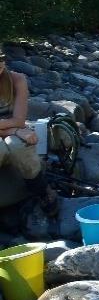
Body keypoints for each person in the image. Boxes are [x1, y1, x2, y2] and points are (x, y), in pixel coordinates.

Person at [0, 49, 58, 214]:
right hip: (14, 131)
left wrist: (16, 130)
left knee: (18, 145)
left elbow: (19, 120)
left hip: (16, 131)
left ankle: (41, 190)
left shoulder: (17, 79)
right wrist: (14, 130)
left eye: (1, 58)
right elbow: (17, 125)